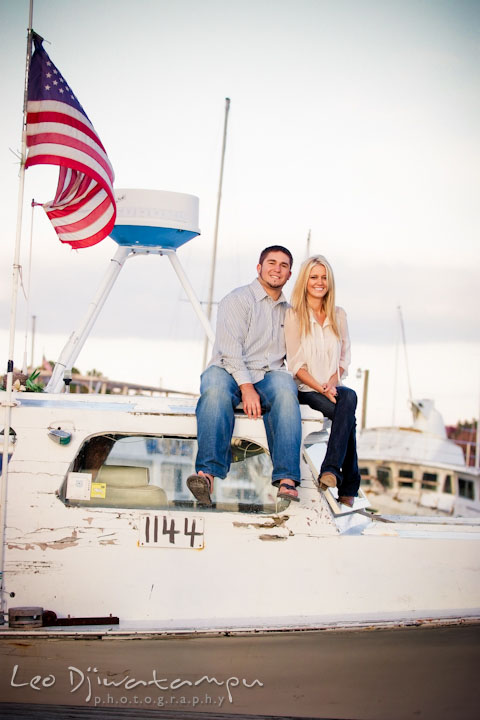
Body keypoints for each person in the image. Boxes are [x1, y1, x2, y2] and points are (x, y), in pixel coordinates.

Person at [187, 246, 302, 506]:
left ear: (289, 274)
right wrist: (246, 387)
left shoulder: (290, 312)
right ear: (259, 268)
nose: (277, 268)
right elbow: (230, 350)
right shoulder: (237, 300)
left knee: (285, 388)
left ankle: (287, 480)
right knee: (214, 388)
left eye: (283, 265)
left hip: (268, 375)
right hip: (228, 369)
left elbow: (298, 354)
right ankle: (206, 475)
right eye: (271, 262)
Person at [284, 255, 360, 507]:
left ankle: (330, 470)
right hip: (305, 388)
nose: (319, 282)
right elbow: (296, 365)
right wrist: (320, 387)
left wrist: (331, 383)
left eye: (324, 277)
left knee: (348, 397)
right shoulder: (293, 315)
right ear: (305, 281)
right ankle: (347, 486)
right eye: (314, 277)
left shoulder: (339, 315)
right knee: (347, 416)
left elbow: (344, 357)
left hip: (331, 386)